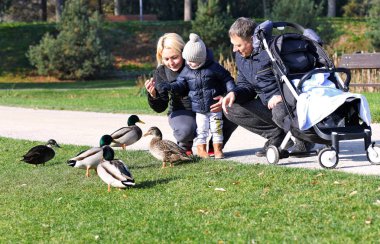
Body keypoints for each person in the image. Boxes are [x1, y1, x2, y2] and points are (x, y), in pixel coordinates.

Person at [222, 17, 313, 156]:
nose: (235, 49)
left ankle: (305, 140)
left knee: (280, 112)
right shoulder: (241, 57)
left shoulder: (275, 49)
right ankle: (277, 137)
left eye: (238, 45)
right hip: (266, 104)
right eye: (233, 45)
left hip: (287, 101)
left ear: (252, 39)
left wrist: (282, 96)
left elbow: (299, 79)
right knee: (230, 107)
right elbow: (245, 85)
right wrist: (235, 93)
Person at [145, 33, 236, 156]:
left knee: (235, 111)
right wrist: (154, 94)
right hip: (182, 110)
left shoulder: (199, 62)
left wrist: (224, 98)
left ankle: (214, 146)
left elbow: (222, 82)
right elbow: (160, 107)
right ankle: (184, 146)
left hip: (210, 105)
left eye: (174, 57)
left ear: (184, 52)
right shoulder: (161, 72)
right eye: (166, 59)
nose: (171, 63)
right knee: (186, 129)